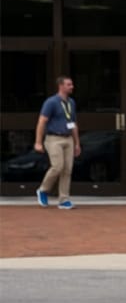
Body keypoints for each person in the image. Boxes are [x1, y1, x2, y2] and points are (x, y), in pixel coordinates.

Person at [34, 76, 81, 210]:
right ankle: (43, 189)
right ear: (61, 86)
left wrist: (77, 143)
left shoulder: (71, 102)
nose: (72, 87)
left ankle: (64, 199)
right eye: (69, 84)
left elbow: (74, 123)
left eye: (71, 84)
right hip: (54, 138)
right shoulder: (51, 102)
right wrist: (38, 142)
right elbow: (42, 121)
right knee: (57, 166)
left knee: (67, 170)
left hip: (68, 138)